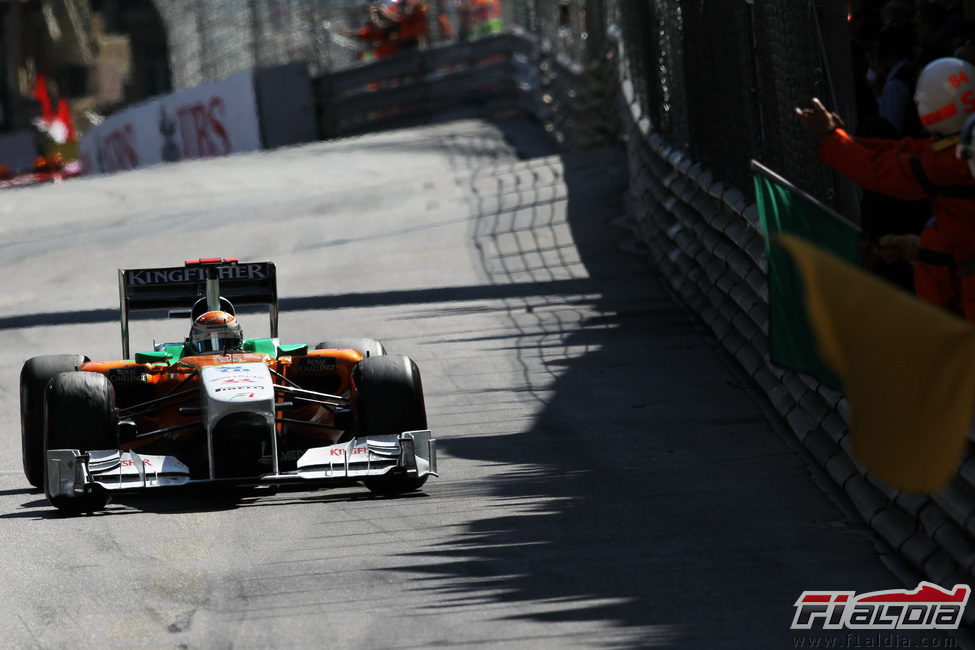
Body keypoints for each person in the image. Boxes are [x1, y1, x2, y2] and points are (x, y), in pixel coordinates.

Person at [795, 57, 975, 322]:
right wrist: (842, 139)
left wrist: (831, 139)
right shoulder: (960, 149)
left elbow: (883, 170)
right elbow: (904, 152)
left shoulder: (951, 162)